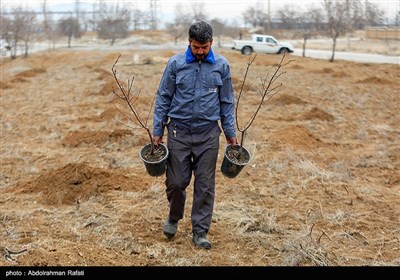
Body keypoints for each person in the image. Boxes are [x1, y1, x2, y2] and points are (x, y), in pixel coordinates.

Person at [152, 21, 238, 250]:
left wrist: (231, 133)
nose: (200, 52)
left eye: (204, 47)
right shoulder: (175, 64)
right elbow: (163, 97)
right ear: (188, 42)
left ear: (212, 43)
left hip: (208, 134)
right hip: (179, 132)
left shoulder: (222, 65)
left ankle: (200, 231)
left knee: (205, 185)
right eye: (196, 47)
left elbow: (227, 102)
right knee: (177, 182)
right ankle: (174, 216)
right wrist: (158, 130)